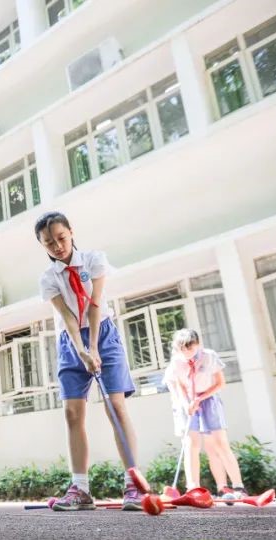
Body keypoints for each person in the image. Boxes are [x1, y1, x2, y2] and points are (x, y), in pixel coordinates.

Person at [35, 211, 143, 511]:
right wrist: (81, 349)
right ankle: (80, 489)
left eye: (61, 238)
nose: (57, 246)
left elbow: (94, 304)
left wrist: (93, 346)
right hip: (71, 342)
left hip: (103, 333)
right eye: (49, 243)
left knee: (117, 406)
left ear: (71, 232)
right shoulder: (48, 278)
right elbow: (68, 317)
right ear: (42, 245)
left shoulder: (95, 260)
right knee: (72, 413)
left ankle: (134, 484)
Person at [164, 328, 247, 499]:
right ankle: (193, 488)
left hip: (208, 399)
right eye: (182, 349)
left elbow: (220, 383)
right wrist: (187, 403)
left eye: (190, 348)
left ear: (198, 344)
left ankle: (238, 487)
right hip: (185, 402)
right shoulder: (176, 362)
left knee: (219, 443)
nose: (186, 352)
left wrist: (199, 398)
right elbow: (177, 385)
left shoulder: (209, 356)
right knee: (191, 444)